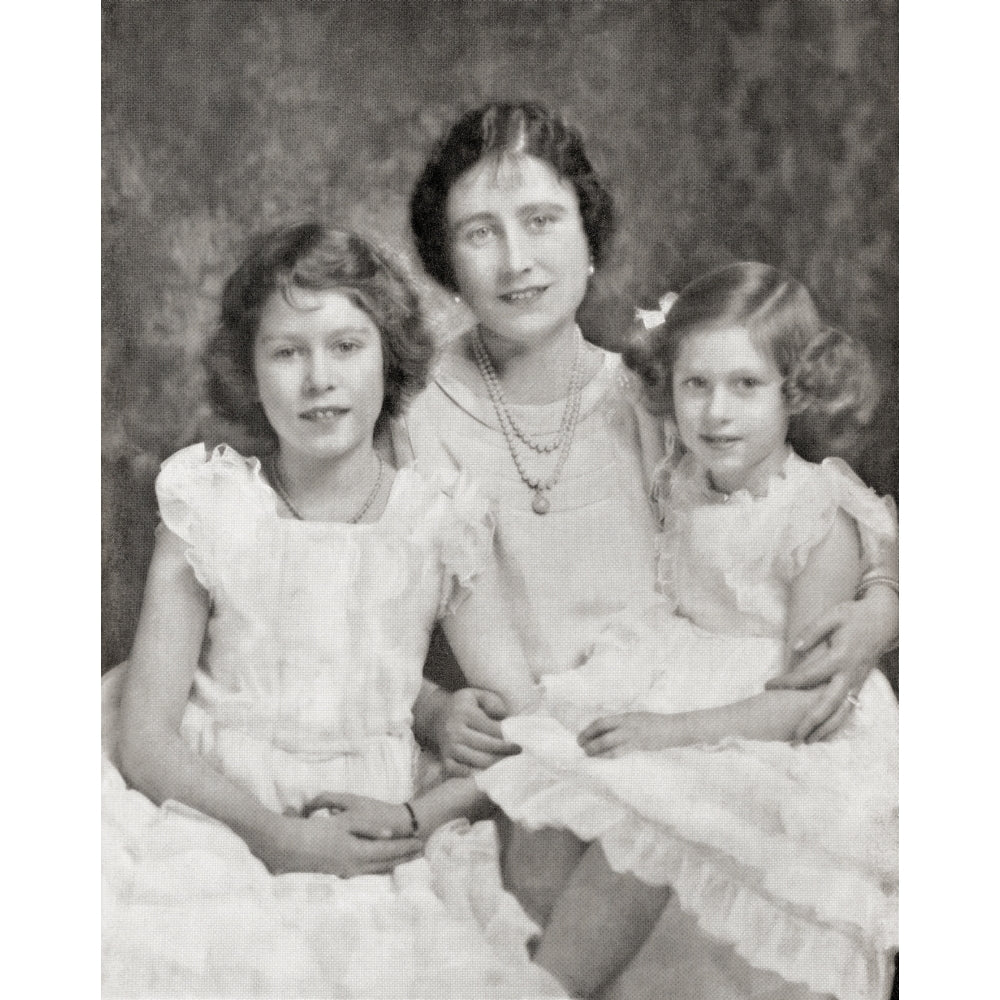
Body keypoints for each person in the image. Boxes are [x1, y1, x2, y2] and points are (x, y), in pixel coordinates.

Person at [396, 102, 899, 995]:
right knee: (563, 882)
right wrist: (433, 706)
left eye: (543, 220)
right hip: (546, 743)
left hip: (699, 736)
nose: (518, 261)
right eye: (481, 232)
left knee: (711, 904)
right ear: (445, 261)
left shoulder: (659, 394)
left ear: (590, 237)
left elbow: (806, 518)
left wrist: (885, 604)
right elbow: (339, 598)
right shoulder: (413, 419)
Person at [100, 222, 562, 998]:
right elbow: (146, 740)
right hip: (214, 817)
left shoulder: (438, 522)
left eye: (347, 346)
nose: (320, 378)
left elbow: (527, 729)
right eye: (288, 352)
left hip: (379, 826)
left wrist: (416, 818)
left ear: (389, 356)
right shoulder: (209, 508)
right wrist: (277, 838)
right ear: (249, 371)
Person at [477, 262, 898, 1000]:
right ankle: (565, 976)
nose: (716, 414)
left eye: (746, 386)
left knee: (642, 838)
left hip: (772, 730)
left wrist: (669, 731)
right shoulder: (684, 478)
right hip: (671, 674)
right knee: (539, 814)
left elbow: (805, 699)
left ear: (793, 392)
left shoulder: (817, 516)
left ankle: (542, 987)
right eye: (694, 386)